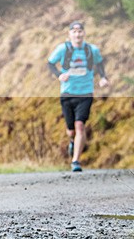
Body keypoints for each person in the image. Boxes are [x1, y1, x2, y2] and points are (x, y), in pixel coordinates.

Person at [47, 21, 110, 172]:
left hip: (85, 92)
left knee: (80, 125)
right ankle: (72, 140)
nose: (77, 34)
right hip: (67, 92)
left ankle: (76, 161)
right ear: (69, 34)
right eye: (74, 32)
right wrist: (59, 75)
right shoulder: (63, 49)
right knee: (71, 130)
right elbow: (50, 63)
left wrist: (102, 77)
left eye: (80, 31)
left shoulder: (91, 50)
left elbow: (100, 64)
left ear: (84, 33)